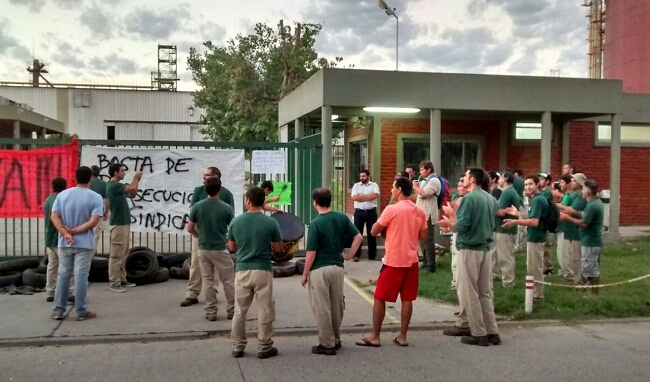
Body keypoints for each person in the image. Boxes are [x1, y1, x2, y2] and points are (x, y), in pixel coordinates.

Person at [355, 177, 427, 348]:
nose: (392, 190)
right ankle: (402, 336)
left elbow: (373, 231)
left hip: (394, 259)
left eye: (394, 188)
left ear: (400, 189)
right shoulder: (419, 211)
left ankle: (375, 335)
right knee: (407, 298)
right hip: (412, 259)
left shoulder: (392, 209)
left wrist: (388, 229)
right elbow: (424, 236)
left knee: (380, 296)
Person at [439, 167, 501, 347]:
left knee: (470, 292)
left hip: (469, 247)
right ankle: (492, 331)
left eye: (466, 176)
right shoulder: (490, 199)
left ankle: (478, 333)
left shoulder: (469, 198)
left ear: (472, 179)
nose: (464, 179)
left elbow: (463, 226)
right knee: (485, 292)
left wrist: (449, 223)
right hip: (485, 248)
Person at [301, 188, 363, 355]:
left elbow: (311, 253)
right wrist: (349, 255)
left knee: (322, 307)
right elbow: (358, 237)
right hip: (337, 267)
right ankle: (336, 338)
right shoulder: (342, 218)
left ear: (315, 202)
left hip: (320, 269)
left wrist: (305, 273)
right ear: (330, 200)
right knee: (336, 305)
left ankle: (326, 343)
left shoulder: (316, 224)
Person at [227, 187, 283, 359]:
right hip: (263, 269)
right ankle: (265, 346)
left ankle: (238, 346)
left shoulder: (236, 222)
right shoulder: (271, 222)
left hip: (243, 269)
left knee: (240, 310)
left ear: (249, 201)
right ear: (262, 201)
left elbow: (232, 247)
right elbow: (278, 247)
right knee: (265, 309)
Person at [49, 166, 103, 321]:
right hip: (84, 243)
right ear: (90, 178)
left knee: (63, 275)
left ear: (75, 177)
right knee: (81, 276)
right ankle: (80, 311)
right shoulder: (95, 197)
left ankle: (58, 310)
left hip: (64, 243)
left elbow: (54, 216)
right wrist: (75, 231)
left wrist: (66, 233)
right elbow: (93, 222)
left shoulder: (63, 195)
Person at [182, 166, 236, 307]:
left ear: (215, 178)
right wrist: (198, 234)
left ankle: (212, 297)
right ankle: (192, 293)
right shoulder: (199, 191)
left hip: (218, 236)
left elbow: (231, 219)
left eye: (206, 175)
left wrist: (227, 238)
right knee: (195, 264)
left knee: (216, 270)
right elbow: (193, 214)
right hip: (201, 234)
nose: (204, 177)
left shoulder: (227, 194)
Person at [503, 174, 548, 300]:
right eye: (526, 185)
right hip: (534, 237)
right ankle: (534, 294)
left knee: (535, 268)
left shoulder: (538, 200)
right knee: (532, 266)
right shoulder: (535, 199)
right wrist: (517, 214)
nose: (527, 187)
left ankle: (537, 295)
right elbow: (531, 218)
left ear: (537, 184)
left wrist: (514, 222)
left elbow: (534, 221)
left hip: (536, 237)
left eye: (530, 184)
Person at [559, 179, 604, 294]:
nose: (582, 191)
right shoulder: (595, 203)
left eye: (583, 189)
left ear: (587, 192)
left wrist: (567, 218)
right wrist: (570, 213)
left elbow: (584, 223)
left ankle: (592, 294)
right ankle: (592, 292)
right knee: (592, 267)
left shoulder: (592, 206)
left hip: (590, 242)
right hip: (593, 242)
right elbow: (584, 215)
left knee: (590, 270)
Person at [106, 163, 142, 293]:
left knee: (123, 252)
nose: (124, 173)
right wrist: (136, 178)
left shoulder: (119, 187)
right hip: (119, 224)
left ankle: (122, 278)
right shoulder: (114, 186)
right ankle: (114, 281)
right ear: (115, 172)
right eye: (122, 171)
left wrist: (136, 182)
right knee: (117, 254)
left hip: (124, 223)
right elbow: (132, 187)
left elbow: (133, 193)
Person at [44, 177, 74, 303]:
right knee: (67, 265)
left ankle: (51, 291)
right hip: (59, 238)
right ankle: (69, 292)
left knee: (52, 265)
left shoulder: (48, 200)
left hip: (50, 237)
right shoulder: (60, 200)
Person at [557, 173, 587, 284]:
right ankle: (577, 279)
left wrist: (556, 205)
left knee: (576, 258)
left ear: (580, 183)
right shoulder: (573, 193)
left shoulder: (579, 194)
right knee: (572, 257)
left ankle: (579, 281)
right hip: (569, 229)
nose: (572, 183)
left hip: (576, 230)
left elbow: (572, 210)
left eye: (574, 181)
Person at [413, 160, 442, 273]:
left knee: (428, 239)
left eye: (422, 169)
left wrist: (415, 187)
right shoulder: (425, 181)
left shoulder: (434, 181)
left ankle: (431, 265)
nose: (420, 172)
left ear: (429, 169)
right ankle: (425, 262)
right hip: (421, 214)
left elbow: (424, 194)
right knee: (422, 240)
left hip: (428, 214)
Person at [494, 172, 522, 288]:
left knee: (505, 257)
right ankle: (507, 280)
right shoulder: (512, 191)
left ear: (505, 178)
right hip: (508, 228)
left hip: (505, 228)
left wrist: (491, 208)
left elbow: (500, 212)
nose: (499, 180)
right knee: (506, 255)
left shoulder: (507, 192)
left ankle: (508, 282)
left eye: (500, 178)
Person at [349, 169, 380, 261]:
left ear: (368, 176)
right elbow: (354, 197)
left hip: (371, 212)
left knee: (372, 233)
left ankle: (372, 255)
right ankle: (356, 255)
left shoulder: (374, 185)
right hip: (359, 212)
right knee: (357, 233)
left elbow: (375, 195)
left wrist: (361, 196)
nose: (361, 178)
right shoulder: (356, 186)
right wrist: (368, 197)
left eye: (363, 176)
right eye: (360, 176)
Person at [555, 174, 573, 281]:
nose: (560, 184)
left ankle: (569, 273)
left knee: (565, 252)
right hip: (561, 226)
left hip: (566, 227)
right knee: (560, 252)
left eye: (562, 182)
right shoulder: (565, 195)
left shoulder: (569, 196)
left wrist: (556, 205)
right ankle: (564, 271)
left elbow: (566, 209)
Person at [537, 172, 555, 275]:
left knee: (545, 244)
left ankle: (548, 267)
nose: (540, 181)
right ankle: (545, 266)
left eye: (542, 179)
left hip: (544, 221)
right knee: (544, 244)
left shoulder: (547, 192)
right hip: (540, 221)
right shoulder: (540, 192)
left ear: (547, 181)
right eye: (539, 179)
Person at [89, 165, 108, 253]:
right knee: (95, 234)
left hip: (86, 211)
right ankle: (91, 254)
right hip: (98, 213)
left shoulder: (87, 182)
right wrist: (106, 212)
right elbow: (107, 200)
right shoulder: (103, 184)